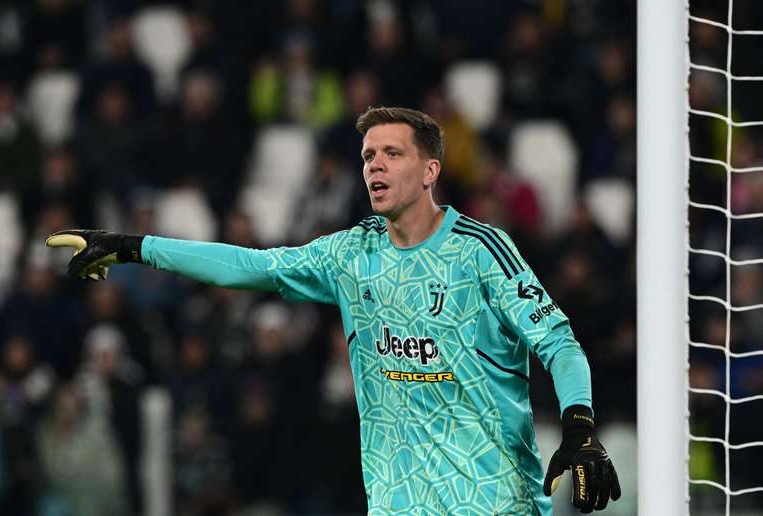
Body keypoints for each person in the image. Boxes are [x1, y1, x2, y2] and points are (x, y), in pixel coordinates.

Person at [46, 107, 619, 514]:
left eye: (392, 153)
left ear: (430, 171)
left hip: (493, 501)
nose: (374, 166)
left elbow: (559, 344)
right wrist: (135, 246)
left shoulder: (481, 251)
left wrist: (579, 426)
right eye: (368, 155)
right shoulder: (349, 254)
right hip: (398, 504)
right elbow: (248, 265)